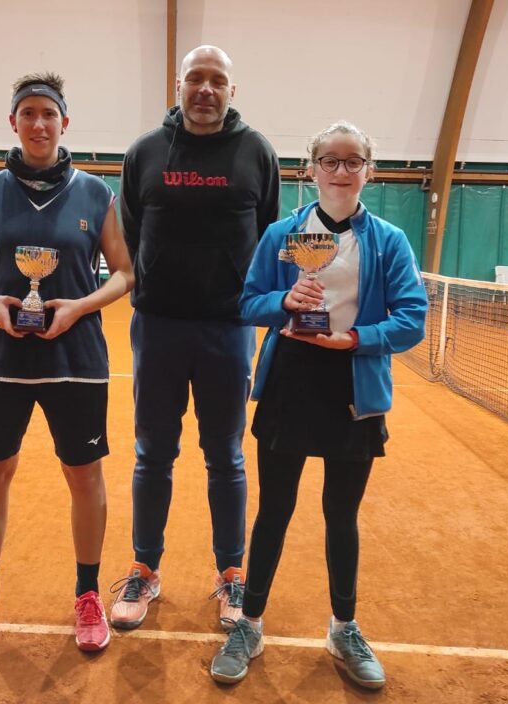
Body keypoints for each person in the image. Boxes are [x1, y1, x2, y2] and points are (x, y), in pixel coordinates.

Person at [209, 121, 427, 688]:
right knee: (274, 510)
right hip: (290, 384)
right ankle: (249, 624)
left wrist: (354, 339)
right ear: (311, 169)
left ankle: (343, 626)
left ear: (369, 171)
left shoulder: (391, 241)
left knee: (341, 515)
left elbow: (411, 319)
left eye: (353, 160)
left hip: (355, 389)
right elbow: (249, 302)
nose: (340, 170)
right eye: (329, 160)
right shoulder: (283, 234)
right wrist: (284, 300)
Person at [0, 72, 133, 657]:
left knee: (85, 476)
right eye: (27, 113)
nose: (38, 123)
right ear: (13, 122)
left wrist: (80, 306)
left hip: (76, 360)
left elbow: (126, 273)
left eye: (48, 114)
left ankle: (87, 594)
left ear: (64, 123)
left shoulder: (96, 194)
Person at [109, 45, 281, 632]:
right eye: (195, 79)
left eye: (218, 80)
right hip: (156, 326)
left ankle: (232, 573)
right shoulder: (145, 152)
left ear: (233, 91)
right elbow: (129, 230)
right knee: (152, 453)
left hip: (228, 329)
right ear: (178, 85)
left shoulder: (256, 152)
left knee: (226, 456)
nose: (205, 89)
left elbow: (269, 234)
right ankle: (144, 568)